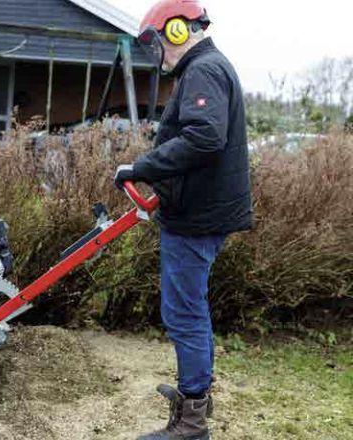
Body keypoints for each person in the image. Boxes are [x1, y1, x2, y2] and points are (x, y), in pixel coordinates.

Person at [114, 1, 253, 439]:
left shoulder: (204, 70)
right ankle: (197, 399)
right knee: (190, 309)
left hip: (197, 218)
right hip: (199, 211)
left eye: (157, 41)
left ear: (177, 31)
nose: (157, 52)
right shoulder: (210, 67)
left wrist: (143, 167)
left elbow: (206, 137)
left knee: (184, 313)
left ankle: (191, 421)